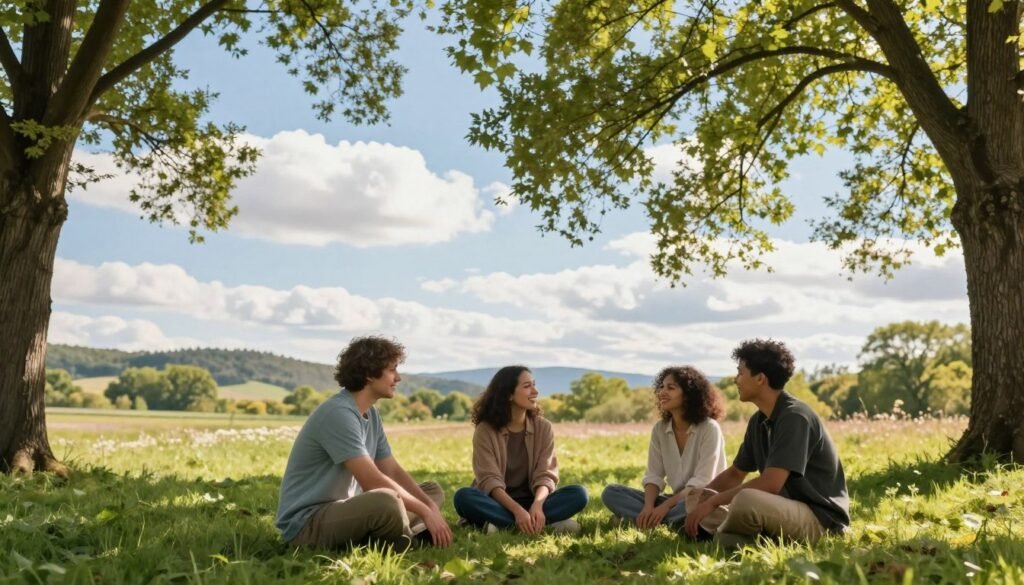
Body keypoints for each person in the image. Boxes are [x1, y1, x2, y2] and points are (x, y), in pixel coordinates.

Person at [275, 336, 453, 551]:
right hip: (309, 524)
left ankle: (397, 534)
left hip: (349, 509)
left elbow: (392, 470)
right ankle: (406, 538)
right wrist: (424, 512)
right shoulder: (339, 413)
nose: (398, 378)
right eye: (392, 370)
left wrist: (430, 506)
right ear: (369, 374)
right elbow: (372, 481)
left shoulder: (370, 413)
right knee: (386, 502)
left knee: (431, 491)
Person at [683, 339, 850, 548]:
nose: (736, 380)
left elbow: (771, 484)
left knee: (746, 499)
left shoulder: (795, 416)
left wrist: (714, 502)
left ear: (760, 378)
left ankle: (727, 533)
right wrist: (701, 500)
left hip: (820, 520)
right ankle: (737, 536)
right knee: (698, 499)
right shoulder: (759, 420)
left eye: (741, 373)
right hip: (780, 510)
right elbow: (735, 474)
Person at [453, 365, 588, 535]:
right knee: (463, 497)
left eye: (534, 384)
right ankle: (543, 525)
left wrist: (537, 506)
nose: (535, 391)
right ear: (508, 394)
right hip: (497, 501)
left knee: (579, 494)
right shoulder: (485, 430)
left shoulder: (543, 427)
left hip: (533, 501)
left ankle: (504, 525)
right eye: (527, 386)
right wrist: (517, 511)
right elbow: (489, 480)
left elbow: (545, 475)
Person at [602, 366, 728, 529]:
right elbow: (654, 475)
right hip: (675, 501)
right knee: (612, 492)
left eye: (671, 388)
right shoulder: (660, 429)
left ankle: (642, 521)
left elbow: (701, 483)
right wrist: (648, 506)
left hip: (703, 501)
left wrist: (664, 507)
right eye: (661, 387)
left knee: (692, 505)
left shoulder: (709, 428)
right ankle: (662, 521)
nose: (662, 392)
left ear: (689, 394)